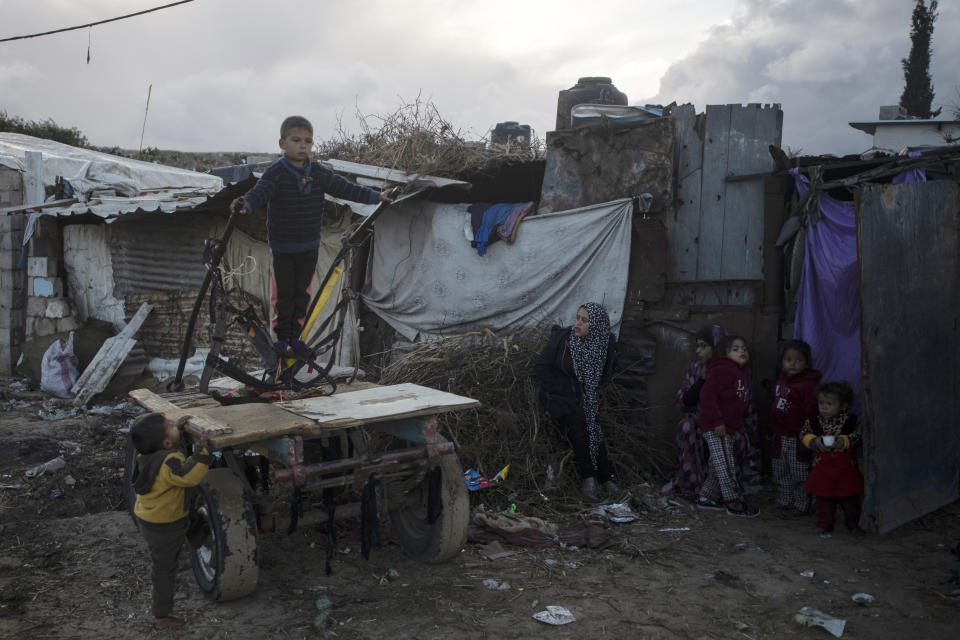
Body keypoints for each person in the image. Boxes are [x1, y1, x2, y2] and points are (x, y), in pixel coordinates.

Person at [230, 115, 394, 354]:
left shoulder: (318, 173)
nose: (303, 145)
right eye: (296, 140)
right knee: (284, 295)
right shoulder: (276, 172)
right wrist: (246, 205)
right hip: (283, 247)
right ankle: (281, 339)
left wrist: (376, 196)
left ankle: (295, 338)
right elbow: (259, 192)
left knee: (301, 295)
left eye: (308, 141)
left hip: (308, 246)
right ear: (282, 143)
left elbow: (345, 188)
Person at [131, 412, 213, 630]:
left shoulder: (147, 455)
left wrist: (174, 428)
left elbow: (170, 454)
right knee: (164, 569)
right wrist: (203, 450)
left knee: (189, 523)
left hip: (150, 517)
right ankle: (162, 616)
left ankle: (200, 539)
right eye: (170, 425)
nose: (174, 425)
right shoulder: (169, 462)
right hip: (165, 525)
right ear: (167, 443)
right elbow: (189, 476)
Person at [535, 303, 618, 501]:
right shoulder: (563, 339)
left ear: (596, 326)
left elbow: (606, 374)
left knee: (593, 425)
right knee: (578, 420)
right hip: (555, 395)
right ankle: (588, 478)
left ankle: (606, 479)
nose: (578, 324)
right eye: (577, 318)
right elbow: (541, 367)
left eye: (584, 320)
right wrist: (566, 389)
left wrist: (588, 392)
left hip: (583, 396)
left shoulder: (603, 345)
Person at [697, 335, 760, 517]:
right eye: (736, 348)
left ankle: (706, 497)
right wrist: (718, 421)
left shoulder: (741, 374)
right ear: (725, 354)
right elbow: (707, 396)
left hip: (728, 428)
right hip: (717, 427)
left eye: (744, 348)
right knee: (726, 465)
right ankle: (734, 503)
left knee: (718, 464)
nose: (742, 351)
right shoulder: (722, 370)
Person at [664, 325, 725, 505]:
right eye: (697, 346)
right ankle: (692, 484)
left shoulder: (730, 369)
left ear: (717, 347)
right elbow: (683, 403)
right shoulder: (696, 368)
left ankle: (721, 488)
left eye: (704, 346)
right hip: (700, 421)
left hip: (724, 424)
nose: (698, 351)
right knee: (687, 426)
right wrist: (702, 381)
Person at [800, 381, 864, 535]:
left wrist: (845, 440)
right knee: (823, 498)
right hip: (822, 468)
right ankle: (824, 524)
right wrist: (814, 441)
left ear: (842, 406)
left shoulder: (851, 421)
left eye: (830, 403)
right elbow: (803, 434)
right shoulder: (814, 421)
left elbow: (859, 435)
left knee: (849, 498)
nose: (824, 407)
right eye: (821, 403)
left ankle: (853, 523)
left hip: (845, 468)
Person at [768, 340, 821, 515]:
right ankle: (785, 499)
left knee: (799, 472)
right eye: (788, 359)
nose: (792, 363)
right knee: (780, 469)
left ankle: (802, 504)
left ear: (806, 363)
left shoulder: (808, 386)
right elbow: (775, 406)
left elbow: (810, 412)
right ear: (782, 362)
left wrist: (807, 435)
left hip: (797, 437)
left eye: (798, 360)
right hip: (779, 435)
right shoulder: (781, 381)